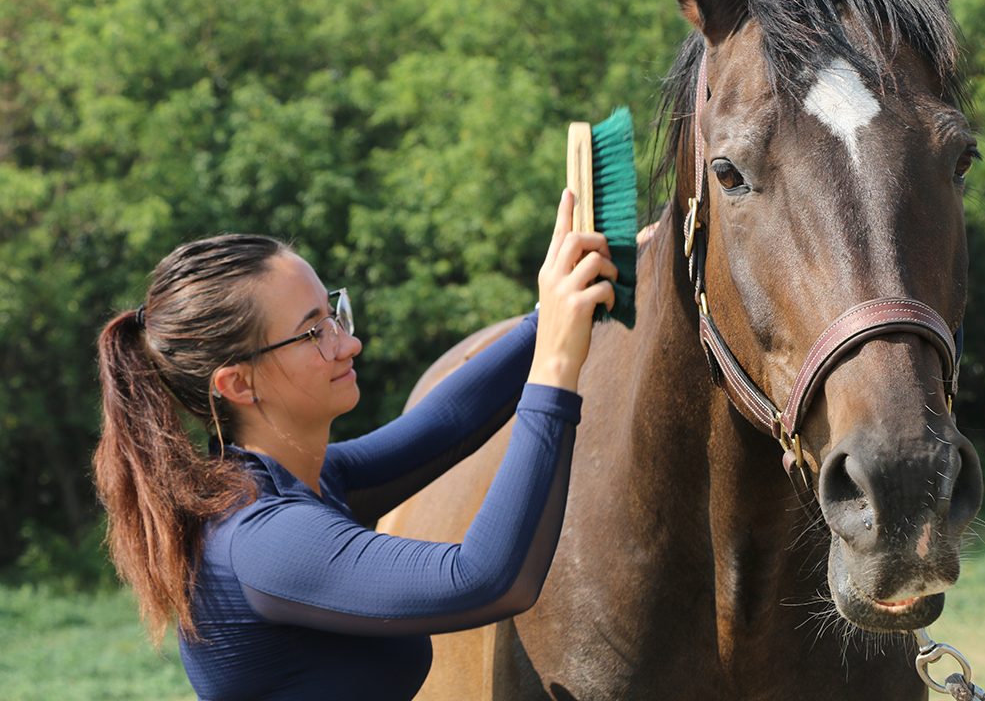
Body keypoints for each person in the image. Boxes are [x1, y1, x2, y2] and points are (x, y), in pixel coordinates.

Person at [92, 189, 616, 701]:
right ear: (238, 385)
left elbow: (447, 422)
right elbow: (488, 579)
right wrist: (555, 365)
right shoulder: (260, 538)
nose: (348, 342)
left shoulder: (301, 481)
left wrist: (553, 311)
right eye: (313, 332)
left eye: (332, 312)